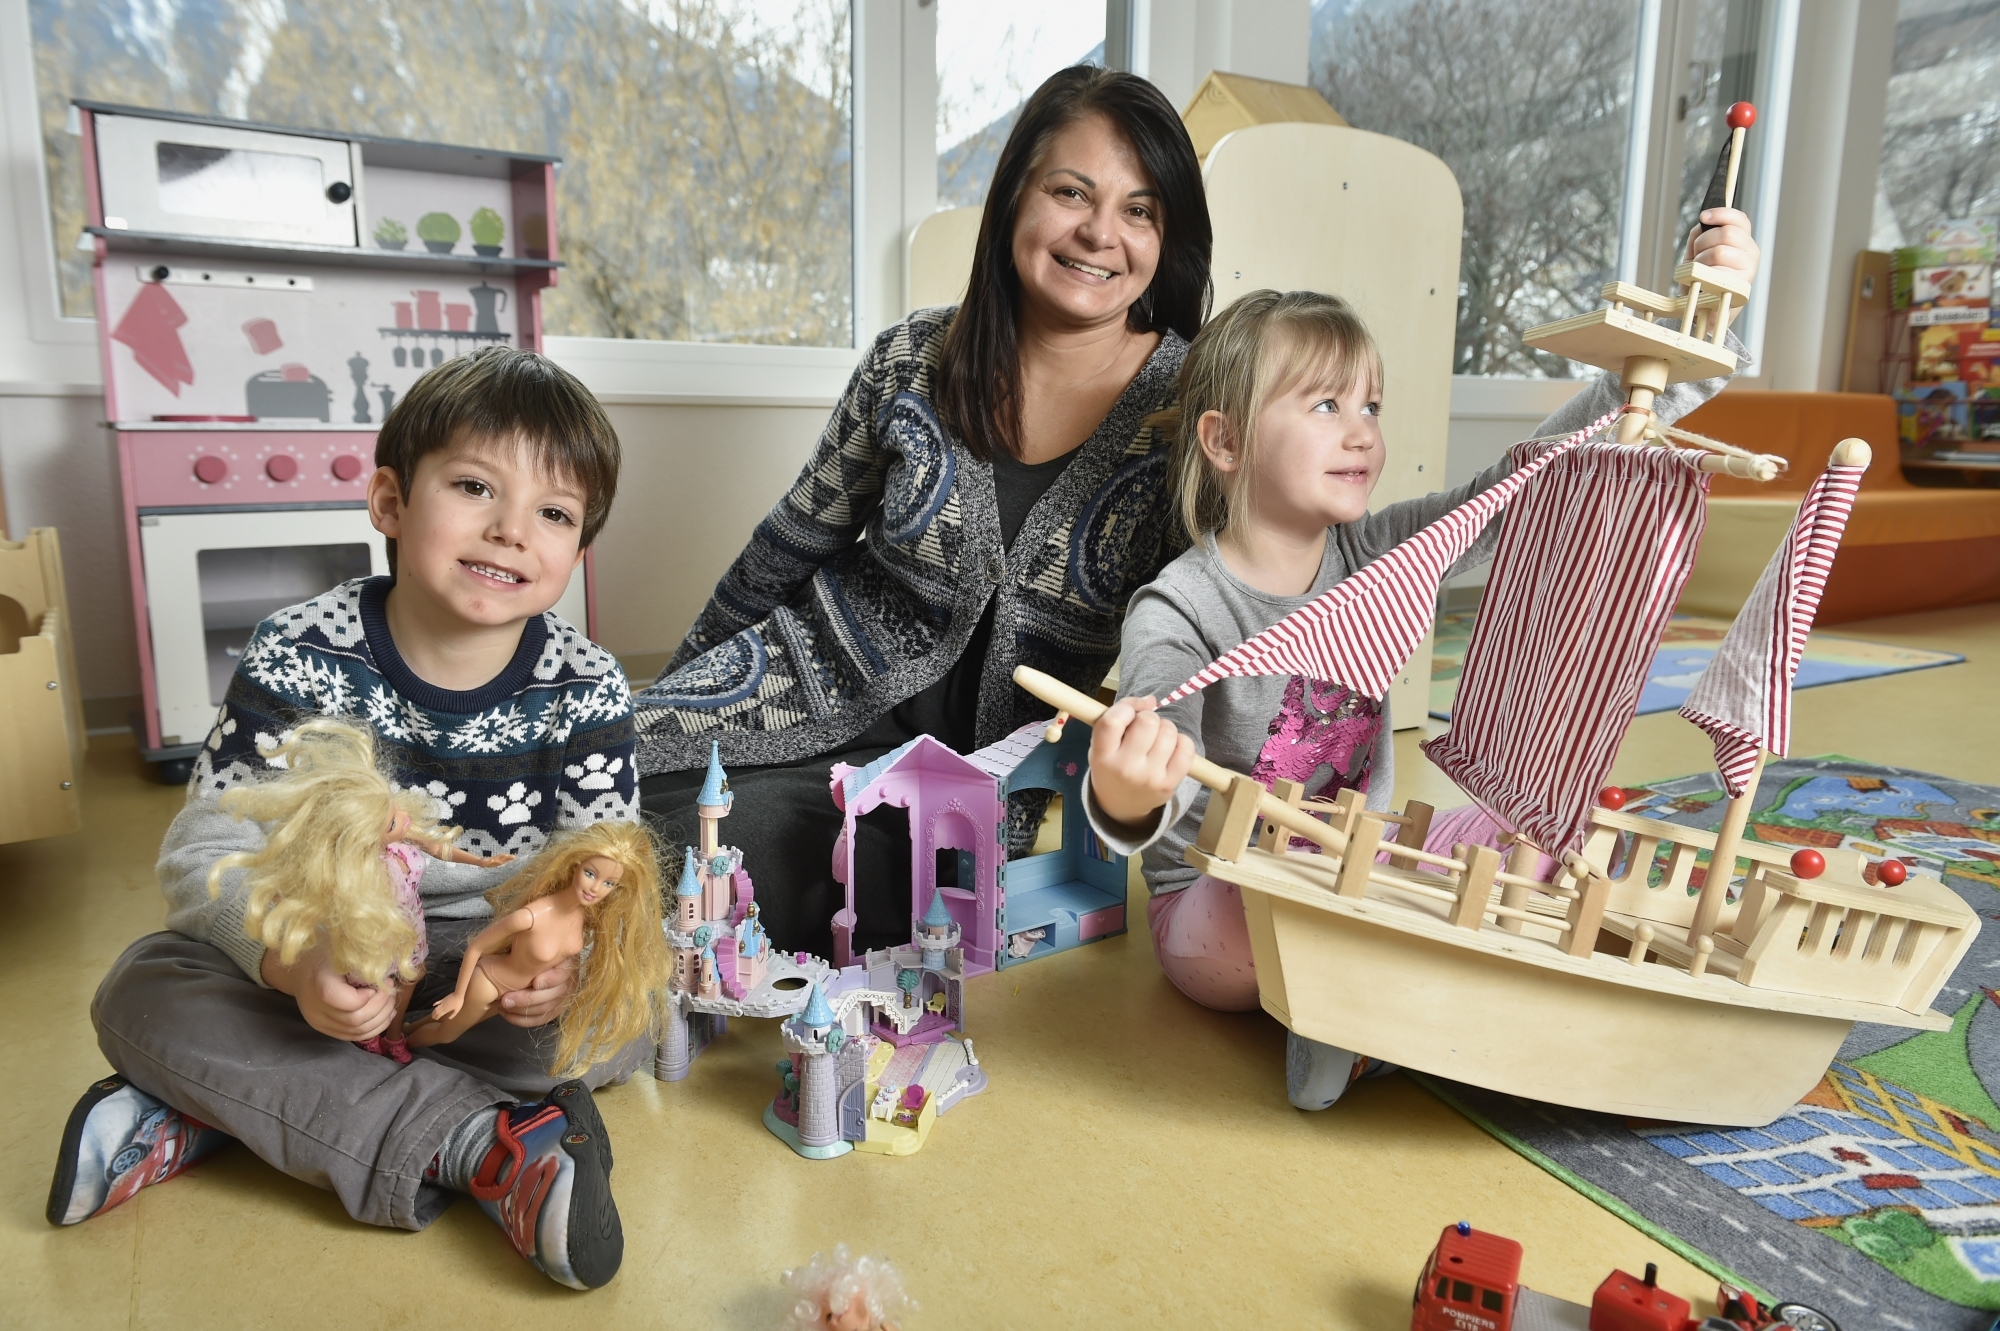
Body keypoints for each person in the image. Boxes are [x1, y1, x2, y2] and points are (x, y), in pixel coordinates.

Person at [1082, 207, 1762, 1112]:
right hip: (1226, 914)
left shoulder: (1377, 554)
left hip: (1366, 867)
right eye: (1325, 405)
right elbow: (1146, 782)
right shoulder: (1182, 608)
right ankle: (1369, 1030)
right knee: (1289, 891)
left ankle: (1407, 1010)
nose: (1361, 431)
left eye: (1369, 406)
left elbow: (1533, 478)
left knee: (1540, 828)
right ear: (1227, 441)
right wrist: (1126, 793)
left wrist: (1677, 349)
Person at [47, 347, 641, 1292]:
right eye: (476, 486)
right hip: (317, 951)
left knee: (621, 1026)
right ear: (391, 503)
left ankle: (230, 1107)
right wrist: (292, 960)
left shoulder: (588, 686)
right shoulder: (301, 651)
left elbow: (603, 879)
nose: (511, 530)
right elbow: (206, 853)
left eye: (555, 513)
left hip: (471, 973)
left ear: (577, 551)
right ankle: (482, 1146)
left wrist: (558, 968)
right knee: (140, 988)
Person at [634, 65, 1212, 956]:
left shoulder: (1192, 413)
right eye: (1071, 191)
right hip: (803, 675)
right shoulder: (912, 357)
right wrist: (678, 695)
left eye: (1140, 209)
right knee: (603, 776)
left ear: (1168, 237)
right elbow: (789, 545)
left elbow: (1200, 629)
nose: (1101, 233)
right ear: (1015, 194)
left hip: (962, 791)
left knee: (697, 861)